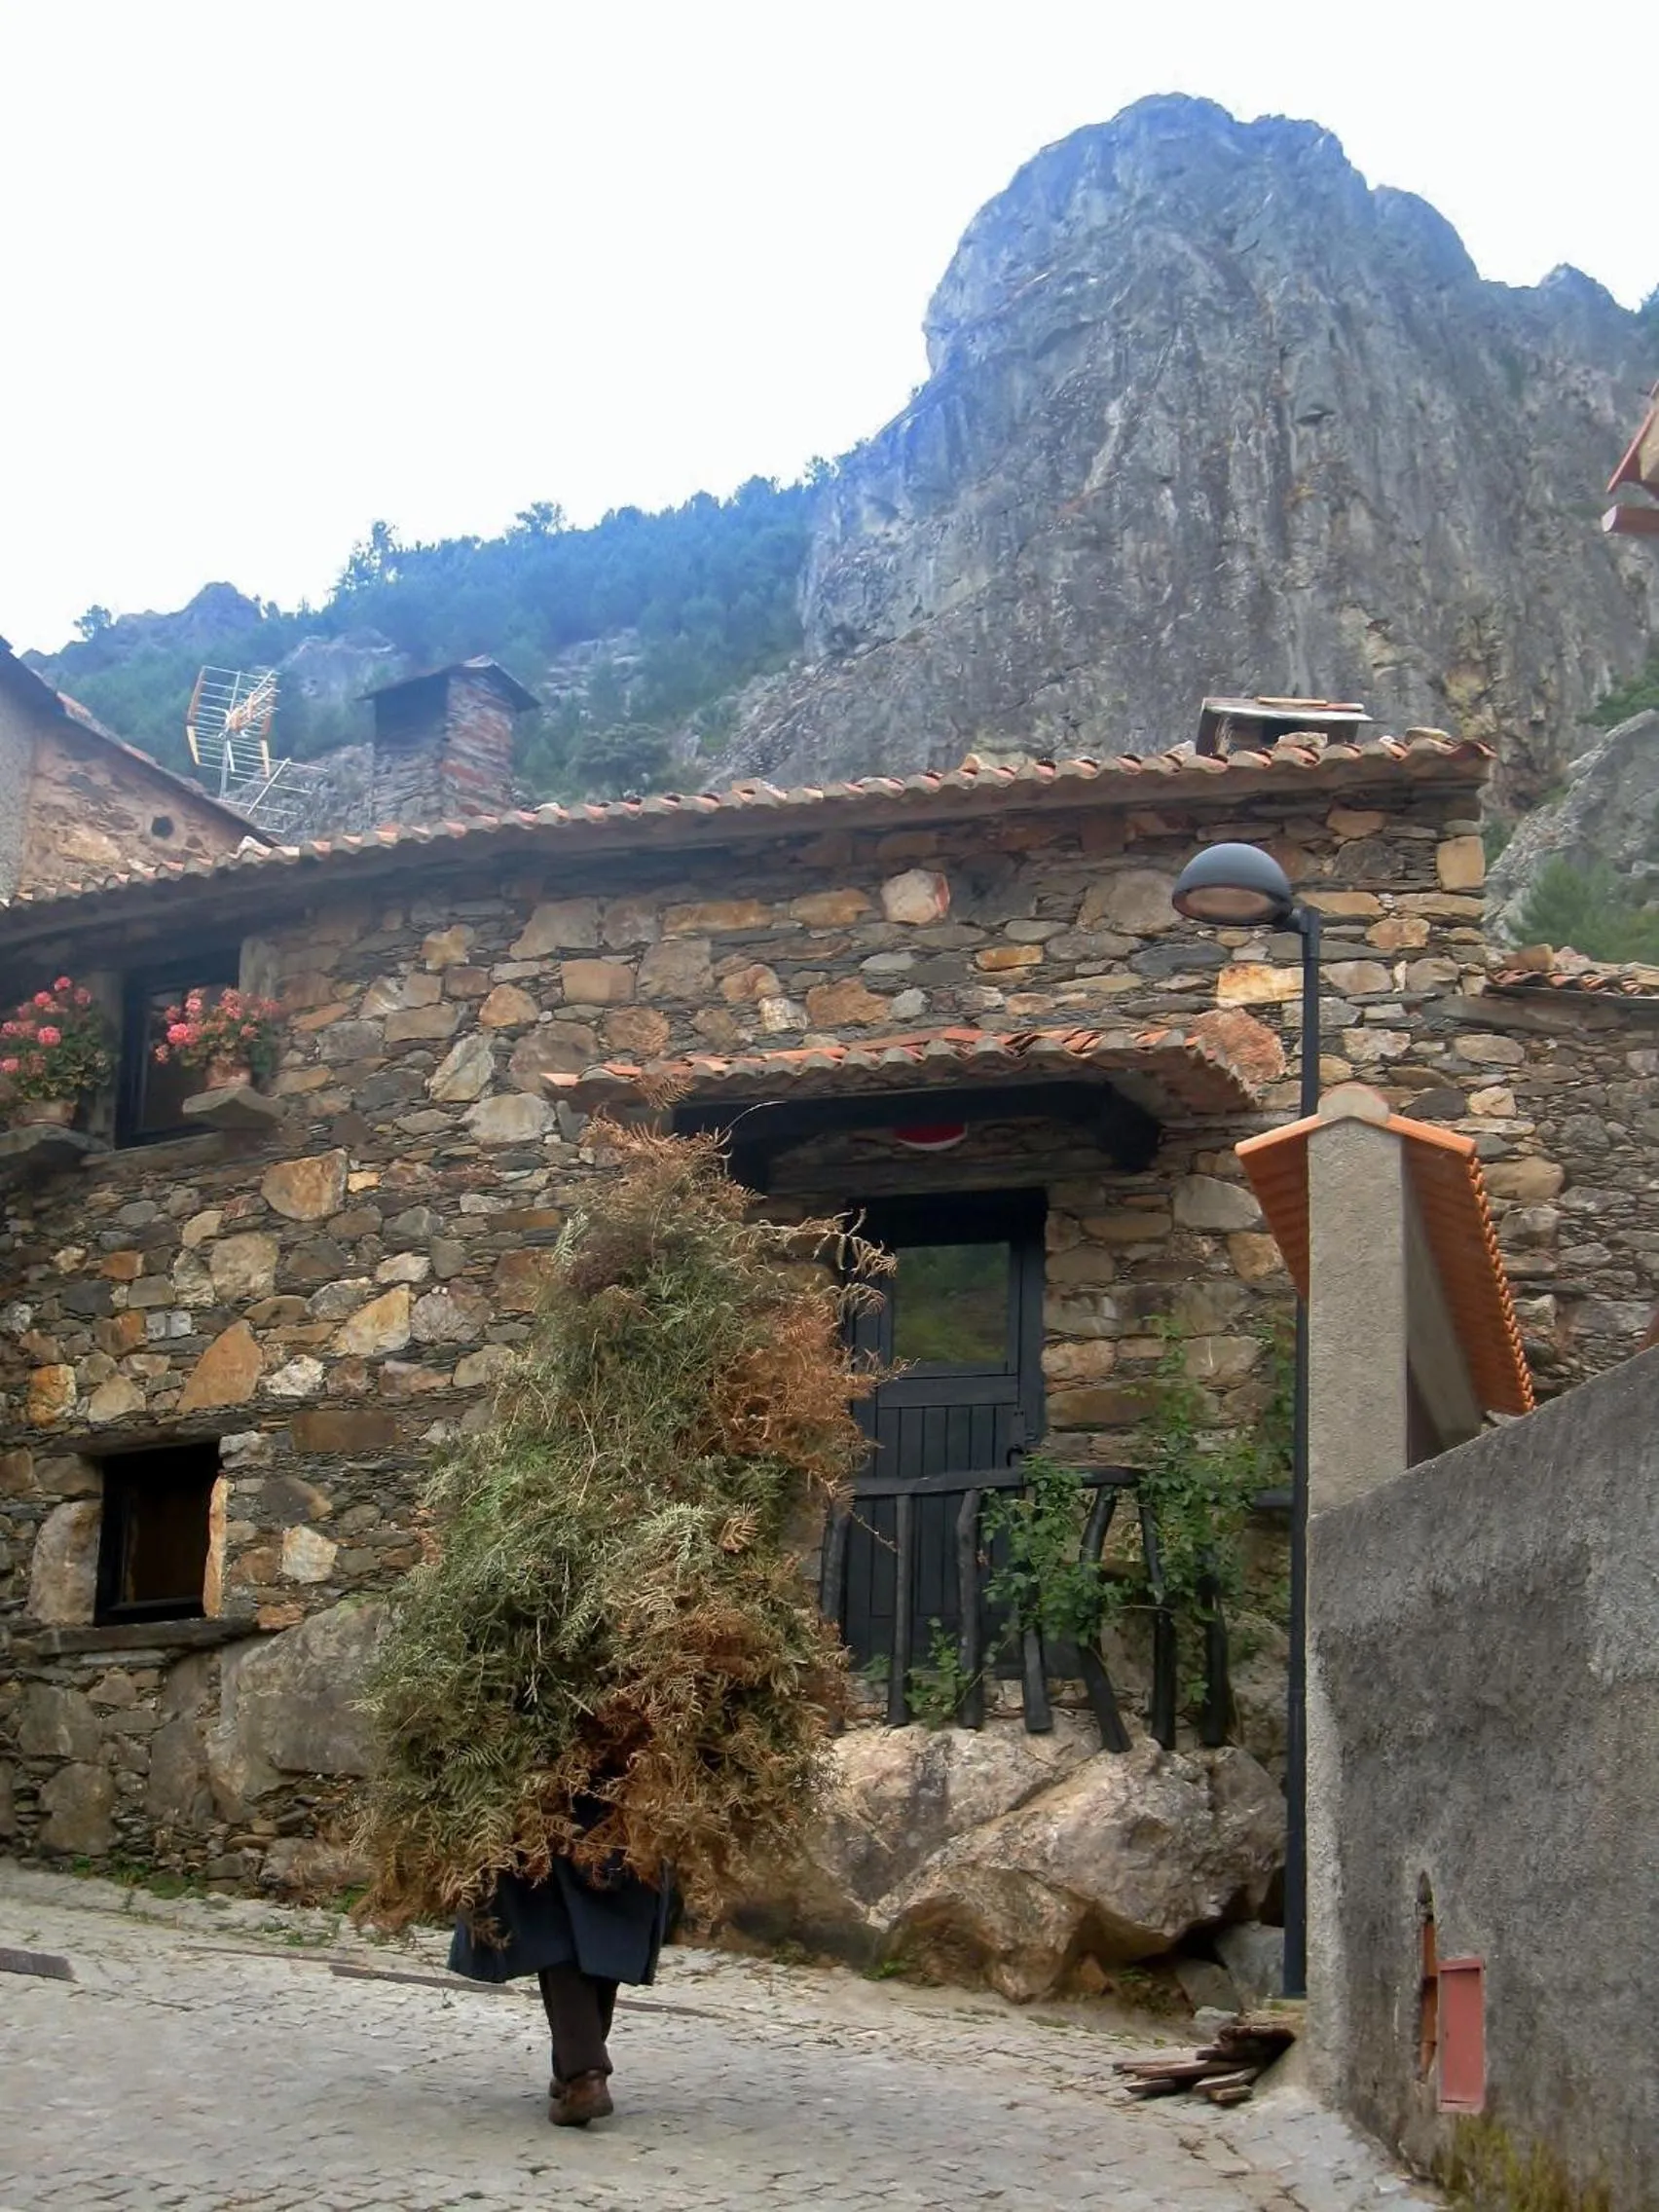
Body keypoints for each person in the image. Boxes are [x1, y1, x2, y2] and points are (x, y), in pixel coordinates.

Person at [448, 1816, 672, 2127]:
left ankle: (584, 2076)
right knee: (600, 1917)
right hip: (624, 1806)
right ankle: (573, 2062)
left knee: (558, 1922)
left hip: (566, 1810)